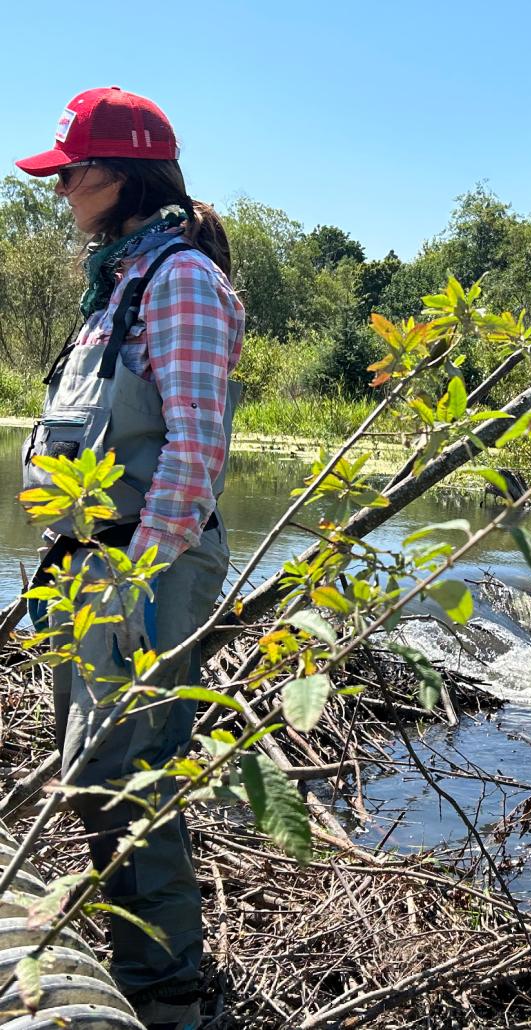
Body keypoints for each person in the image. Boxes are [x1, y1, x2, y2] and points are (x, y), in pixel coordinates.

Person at [14, 86, 244, 1030]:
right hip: (93, 565)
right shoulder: (115, 281)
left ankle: (168, 999)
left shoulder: (178, 279)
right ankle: (139, 968)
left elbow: (193, 453)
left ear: (120, 175)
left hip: (143, 570)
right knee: (90, 772)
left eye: (71, 174)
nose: (60, 189)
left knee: (125, 774)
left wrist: (135, 587)